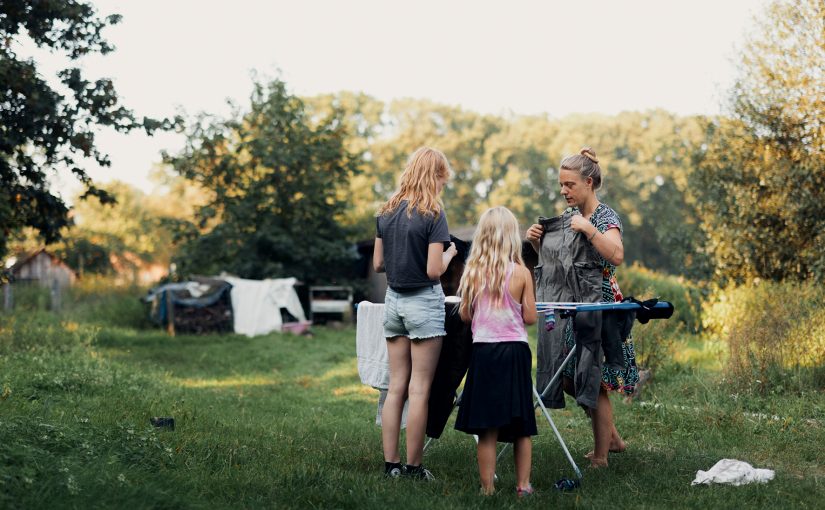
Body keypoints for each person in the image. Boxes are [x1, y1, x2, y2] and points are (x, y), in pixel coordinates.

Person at [526, 146, 636, 468]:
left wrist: (589, 230)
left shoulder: (604, 217)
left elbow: (616, 255)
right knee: (568, 376)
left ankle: (601, 456)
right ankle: (612, 438)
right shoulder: (566, 219)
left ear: (588, 182)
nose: (563, 191)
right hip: (571, 303)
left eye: (569, 184)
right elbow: (559, 261)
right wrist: (536, 243)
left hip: (600, 305)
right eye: (561, 185)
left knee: (594, 378)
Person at [373, 146, 458, 481]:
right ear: (435, 175)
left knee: (396, 387)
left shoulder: (386, 211)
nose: (442, 186)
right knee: (420, 389)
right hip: (423, 303)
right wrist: (450, 252)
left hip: (393, 301)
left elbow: (378, 264)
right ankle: (414, 468)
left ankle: (390, 465)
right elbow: (434, 270)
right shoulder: (433, 214)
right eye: (443, 179)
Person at [454, 206, 538, 496]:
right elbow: (529, 318)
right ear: (512, 237)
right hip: (515, 352)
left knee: (486, 426)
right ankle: (523, 485)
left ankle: (487, 488)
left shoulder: (473, 272)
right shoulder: (522, 273)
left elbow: (465, 315)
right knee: (522, 423)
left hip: (484, 354)